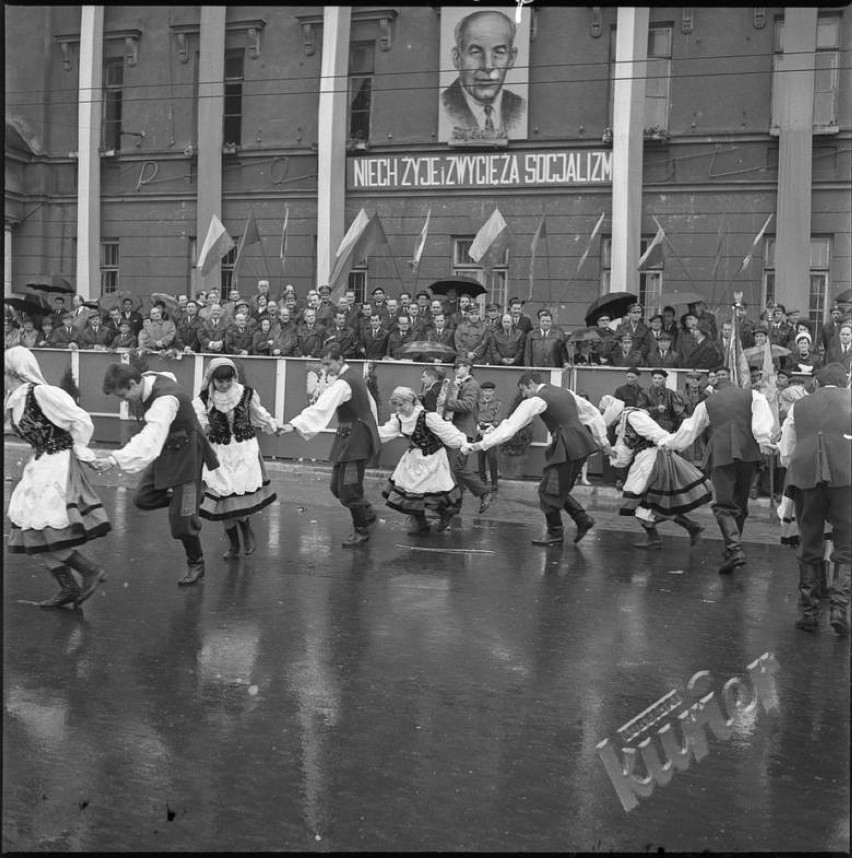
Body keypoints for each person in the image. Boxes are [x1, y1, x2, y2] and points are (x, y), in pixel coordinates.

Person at [95, 363, 220, 586]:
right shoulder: (150, 378)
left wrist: (115, 459)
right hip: (168, 448)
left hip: (188, 453)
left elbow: (150, 437)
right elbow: (168, 375)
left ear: (133, 384)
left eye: (123, 396)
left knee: (182, 521)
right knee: (143, 498)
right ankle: (189, 501)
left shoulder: (164, 402)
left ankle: (196, 563)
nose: (124, 401)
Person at [5, 346, 110, 608]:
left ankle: (89, 571)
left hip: (57, 465)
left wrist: (81, 451)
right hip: (39, 465)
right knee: (33, 529)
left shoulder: (41, 393)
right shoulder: (15, 400)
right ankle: (68, 587)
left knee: (48, 528)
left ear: (13, 371)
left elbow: (80, 419)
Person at [468, 371, 610, 546]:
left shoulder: (537, 399)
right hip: (581, 444)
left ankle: (556, 533)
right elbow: (592, 413)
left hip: (566, 446)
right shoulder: (566, 392)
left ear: (531, 384)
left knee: (548, 490)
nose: (523, 395)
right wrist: (603, 441)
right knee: (556, 488)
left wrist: (482, 444)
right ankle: (582, 519)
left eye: (523, 390)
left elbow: (511, 426)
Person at [660, 376, 775, 574]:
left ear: (714, 389)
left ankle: (734, 549)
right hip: (748, 451)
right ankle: (732, 550)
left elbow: (690, 429)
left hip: (722, 452)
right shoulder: (753, 395)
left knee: (723, 504)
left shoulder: (708, 402)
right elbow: (762, 422)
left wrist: (669, 444)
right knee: (740, 504)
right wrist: (764, 440)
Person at [278, 345, 380, 548]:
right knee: (337, 487)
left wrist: (293, 424)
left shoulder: (344, 383)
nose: (326, 369)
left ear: (340, 360)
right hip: (350, 437)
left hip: (355, 440)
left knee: (349, 488)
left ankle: (362, 530)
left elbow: (321, 408)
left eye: (328, 364)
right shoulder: (352, 376)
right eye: (323, 364)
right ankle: (366, 513)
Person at [777, 363, 851, 636]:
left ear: (817, 383)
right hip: (846, 477)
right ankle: (839, 609)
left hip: (807, 476)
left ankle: (808, 613)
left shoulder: (800, 405)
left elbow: (787, 449)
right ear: (844, 383)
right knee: (846, 541)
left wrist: (796, 465)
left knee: (810, 538)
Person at [192, 358, 278, 559]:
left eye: (228, 380)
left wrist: (272, 425)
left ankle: (246, 529)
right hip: (219, 452)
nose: (224, 385)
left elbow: (259, 414)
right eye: (219, 381)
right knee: (224, 500)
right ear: (211, 379)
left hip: (243, 450)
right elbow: (199, 423)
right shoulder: (204, 399)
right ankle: (234, 544)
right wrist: (203, 428)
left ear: (234, 378)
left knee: (238, 499)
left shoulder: (246, 393)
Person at [599, 394, 709, 550]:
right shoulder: (624, 423)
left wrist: (666, 444)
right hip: (645, 460)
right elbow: (624, 454)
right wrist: (609, 451)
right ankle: (683, 529)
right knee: (649, 502)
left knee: (642, 500)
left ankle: (679, 530)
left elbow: (656, 433)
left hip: (652, 459)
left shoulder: (633, 416)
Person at [377, 386, 469, 535]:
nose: (399, 409)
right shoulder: (399, 419)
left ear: (411, 401)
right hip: (413, 459)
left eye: (402, 405)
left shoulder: (427, 416)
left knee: (434, 492)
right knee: (411, 492)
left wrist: (463, 442)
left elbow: (448, 431)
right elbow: (384, 433)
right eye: (396, 406)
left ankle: (445, 514)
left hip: (433, 458)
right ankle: (422, 524)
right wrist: (366, 431)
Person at [441, 10, 525, 138]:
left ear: (512, 58)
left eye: (499, 52)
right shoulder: (443, 106)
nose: (488, 66)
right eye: (476, 52)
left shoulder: (519, 107)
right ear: (457, 57)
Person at [435, 357, 495, 522]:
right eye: (454, 367)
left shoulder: (472, 384)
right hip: (456, 431)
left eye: (459, 367)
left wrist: (446, 402)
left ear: (468, 367)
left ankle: (484, 492)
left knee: (457, 466)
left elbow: (468, 405)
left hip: (464, 431)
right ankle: (455, 505)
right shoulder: (460, 383)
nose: (456, 370)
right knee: (454, 469)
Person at [476, 381, 503, 491]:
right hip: (479, 430)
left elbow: (498, 419)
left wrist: (488, 431)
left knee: (492, 458)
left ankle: (494, 482)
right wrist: (479, 430)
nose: (488, 393)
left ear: (493, 391)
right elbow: (474, 417)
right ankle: (482, 480)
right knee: (480, 457)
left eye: (490, 391)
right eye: (486, 391)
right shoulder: (477, 403)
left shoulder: (497, 403)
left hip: (491, 431)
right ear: (482, 391)